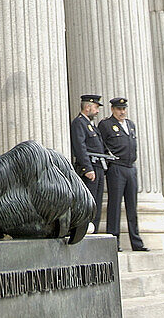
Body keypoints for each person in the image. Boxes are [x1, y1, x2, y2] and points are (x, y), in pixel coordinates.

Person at [99, 97, 148, 251]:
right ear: (113, 109)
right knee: (114, 205)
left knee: (132, 206)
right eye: (119, 109)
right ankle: (114, 242)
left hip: (130, 168)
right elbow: (101, 145)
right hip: (117, 167)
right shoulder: (106, 125)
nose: (122, 112)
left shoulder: (130, 124)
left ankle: (136, 242)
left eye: (124, 109)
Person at [70, 93, 107, 231]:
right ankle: (85, 230)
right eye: (96, 107)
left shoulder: (89, 124)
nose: (97, 111)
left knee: (96, 202)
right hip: (89, 168)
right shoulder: (79, 123)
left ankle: (94, 230)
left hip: (97, 166)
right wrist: (87, 168)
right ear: (87, 107)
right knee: (89, 202)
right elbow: (80, 147)